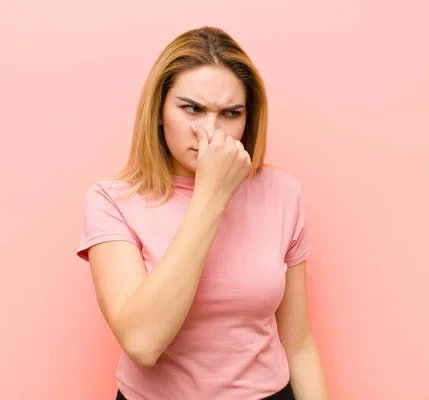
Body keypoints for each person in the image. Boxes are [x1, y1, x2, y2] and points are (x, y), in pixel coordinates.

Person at [75, 26, 330, 400]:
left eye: (230, 113)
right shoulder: (112, 200)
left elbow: (300, 343)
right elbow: (143, 342)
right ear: (159, 112)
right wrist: (211, 194)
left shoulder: (283, 192)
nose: (210, 131)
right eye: (192, 108)